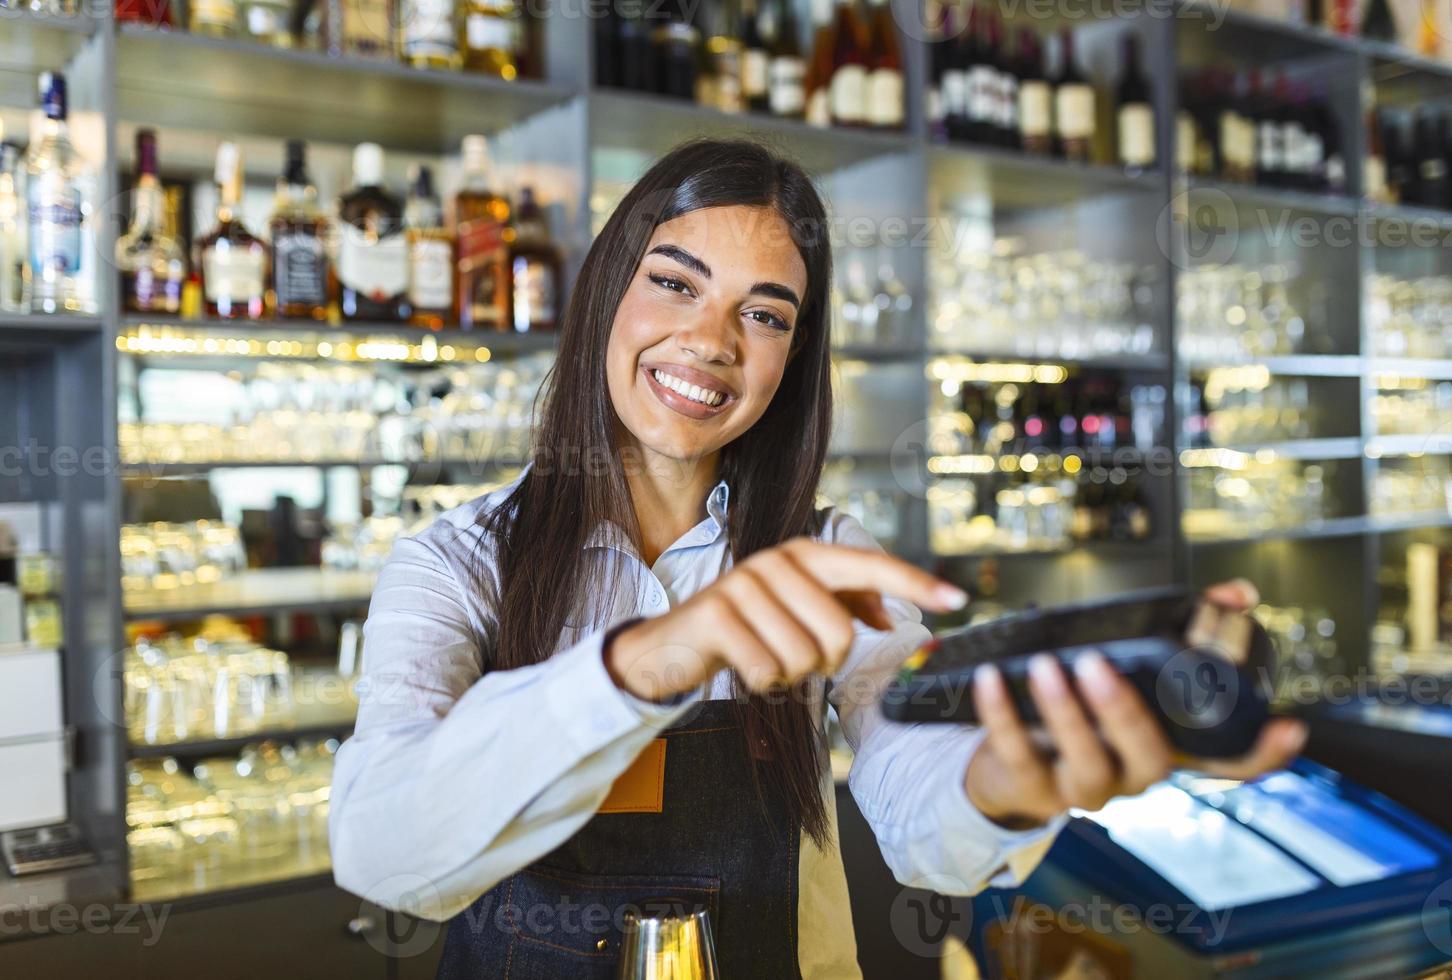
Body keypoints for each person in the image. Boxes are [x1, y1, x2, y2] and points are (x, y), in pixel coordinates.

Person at [327, 139, 1307, 979]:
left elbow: (917, 791)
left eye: (765, 313)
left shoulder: (828, 556)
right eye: (675, 281)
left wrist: (1005, 778)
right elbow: (385, 850)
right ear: (604, 294)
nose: (710, 340)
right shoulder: (459, 562)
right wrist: (645, 662)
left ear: (793, 356)